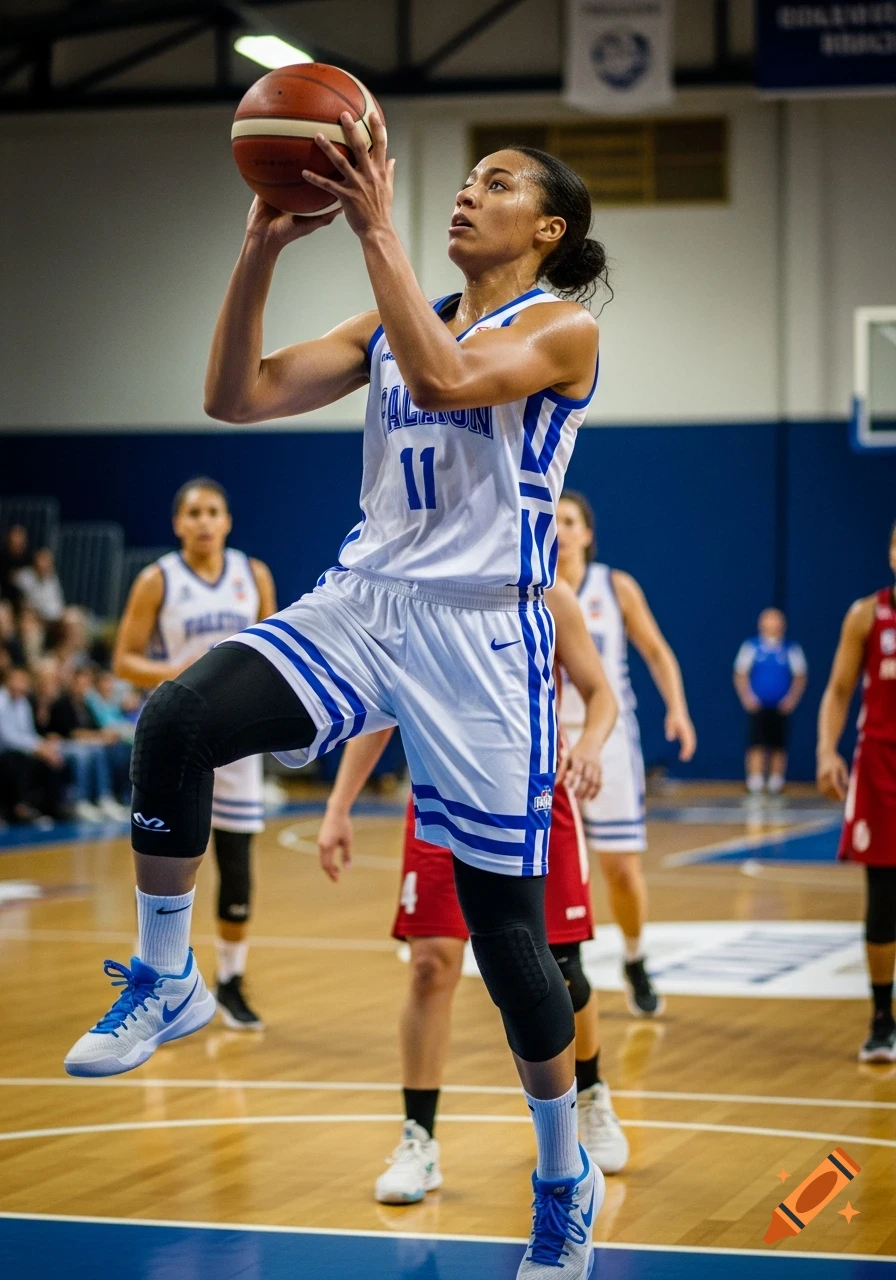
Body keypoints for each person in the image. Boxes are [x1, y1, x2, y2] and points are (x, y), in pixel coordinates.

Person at [65, 119, 609, 1277]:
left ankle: (562, 1174)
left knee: (507, 936)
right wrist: (260, 246)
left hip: (480, 636)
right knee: (178, 719)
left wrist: (371, 227)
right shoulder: (385, 327)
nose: (466, 194)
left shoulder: (561, 329)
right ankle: (170, 976)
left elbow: (448, 376)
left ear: (546, 230)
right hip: (365, 599)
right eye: (461, 180)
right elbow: (235, 395)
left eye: (496, 184)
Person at [318, 574, 627, 1203]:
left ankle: (588, 1100)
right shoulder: (412, 591)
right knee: (431, 965)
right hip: (440, 797)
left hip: (534, 793)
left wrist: (591, 745)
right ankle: (418, 1140)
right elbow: (381, 709)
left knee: (560, 970)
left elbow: (600, 695)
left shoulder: (551, 597)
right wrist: (338, 805)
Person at [109, 477, 277, 1030]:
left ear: (227, 520)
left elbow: (274, 650)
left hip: (236, 736)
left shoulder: (252, 575)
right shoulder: (157, 580)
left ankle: (230, 981)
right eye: (194, 513)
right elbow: (124, 660)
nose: (204, 521)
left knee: (236, 863)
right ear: (177, 523)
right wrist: (184, 673)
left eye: (214, 511)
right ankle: (156, 981)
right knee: (166, 863)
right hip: (176, 734)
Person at [555, 492, 696, 1018]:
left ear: (588, 534)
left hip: (607, 738)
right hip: (546, 740)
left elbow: (657, 652)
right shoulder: (529, 585)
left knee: (617, 866)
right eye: (553, 519)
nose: (560, 529)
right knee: (554, 868)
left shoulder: (615, 588)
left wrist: (676, 709)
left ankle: (635, 958)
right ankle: (567, 963)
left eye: (570, 521)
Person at [817, 523, 896, 1064]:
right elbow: (840, 689)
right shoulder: (867, 614)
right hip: (881, 769)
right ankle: (882, 1017)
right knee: (883, 901)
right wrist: (826, 750)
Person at [734, 608, 807, 796]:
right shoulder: (751, 647)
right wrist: (747, 697)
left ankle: (776, 782)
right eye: (768, 620)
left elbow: (800, 676)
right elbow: (740, 674)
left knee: (778, 745)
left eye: (776, 620)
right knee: (756, 743)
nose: (772, 624)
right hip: (758, 705)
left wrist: (791, 699)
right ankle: (755, 782)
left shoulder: (791, 648)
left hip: (780, 707)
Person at [45, 664, 131, 823]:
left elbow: (94, 728)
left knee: (99, 750)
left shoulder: (86, 705)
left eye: (86, 684)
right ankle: (80, 801)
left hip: (84, 744)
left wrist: (103, 737)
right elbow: (73, 733)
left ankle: (104, 797)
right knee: (83, 753)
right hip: (62, 744)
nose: (83, 687)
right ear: (72, 683)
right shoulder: (62, 703)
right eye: (80, 683)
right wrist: (98, 738)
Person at [0, 665, 67, 823]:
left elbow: (28, 733)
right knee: (17, 761)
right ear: (7, 681)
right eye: (17, 680)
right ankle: (19, 808)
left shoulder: (23, 702)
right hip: (5, 752)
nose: (21, 685)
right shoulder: (1, 702)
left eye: (23, 681)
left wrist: (44, 746)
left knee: (52, 759)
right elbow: (8, 738)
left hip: (20, 749)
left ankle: (52, 808)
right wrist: (38, 748)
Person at [14, 546, 65, 623]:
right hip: (34, 617)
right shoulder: (24, 577)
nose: (45, 565)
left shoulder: (52, 578)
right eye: (42, 561)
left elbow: (58, 604)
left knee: (74, 617)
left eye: (48, 562)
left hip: (53, 617)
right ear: (35, 562)